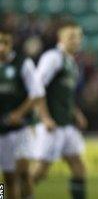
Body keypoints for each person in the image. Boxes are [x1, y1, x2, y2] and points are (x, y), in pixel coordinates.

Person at [33, 22, 88, 199]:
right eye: (71, 37)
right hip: (52, 124)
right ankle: (8, 193)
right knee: (40, 170)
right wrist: (45, 117)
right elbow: (37, 87)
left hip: (66, 124)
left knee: (78, 167)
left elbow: (65, 94)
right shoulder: (53, 58)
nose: (76, 41)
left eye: (78, 37)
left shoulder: (71, 62)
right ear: (60, 39)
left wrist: (76, 113)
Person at [0, 27, 43, 199]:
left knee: (23, 172)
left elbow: (36, 94)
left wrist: (18, 113)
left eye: (5, 43)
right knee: (6, 180)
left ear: (11, 44)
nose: (1, 47)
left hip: (21, 128)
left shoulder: (22, 63)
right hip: (2, 130)